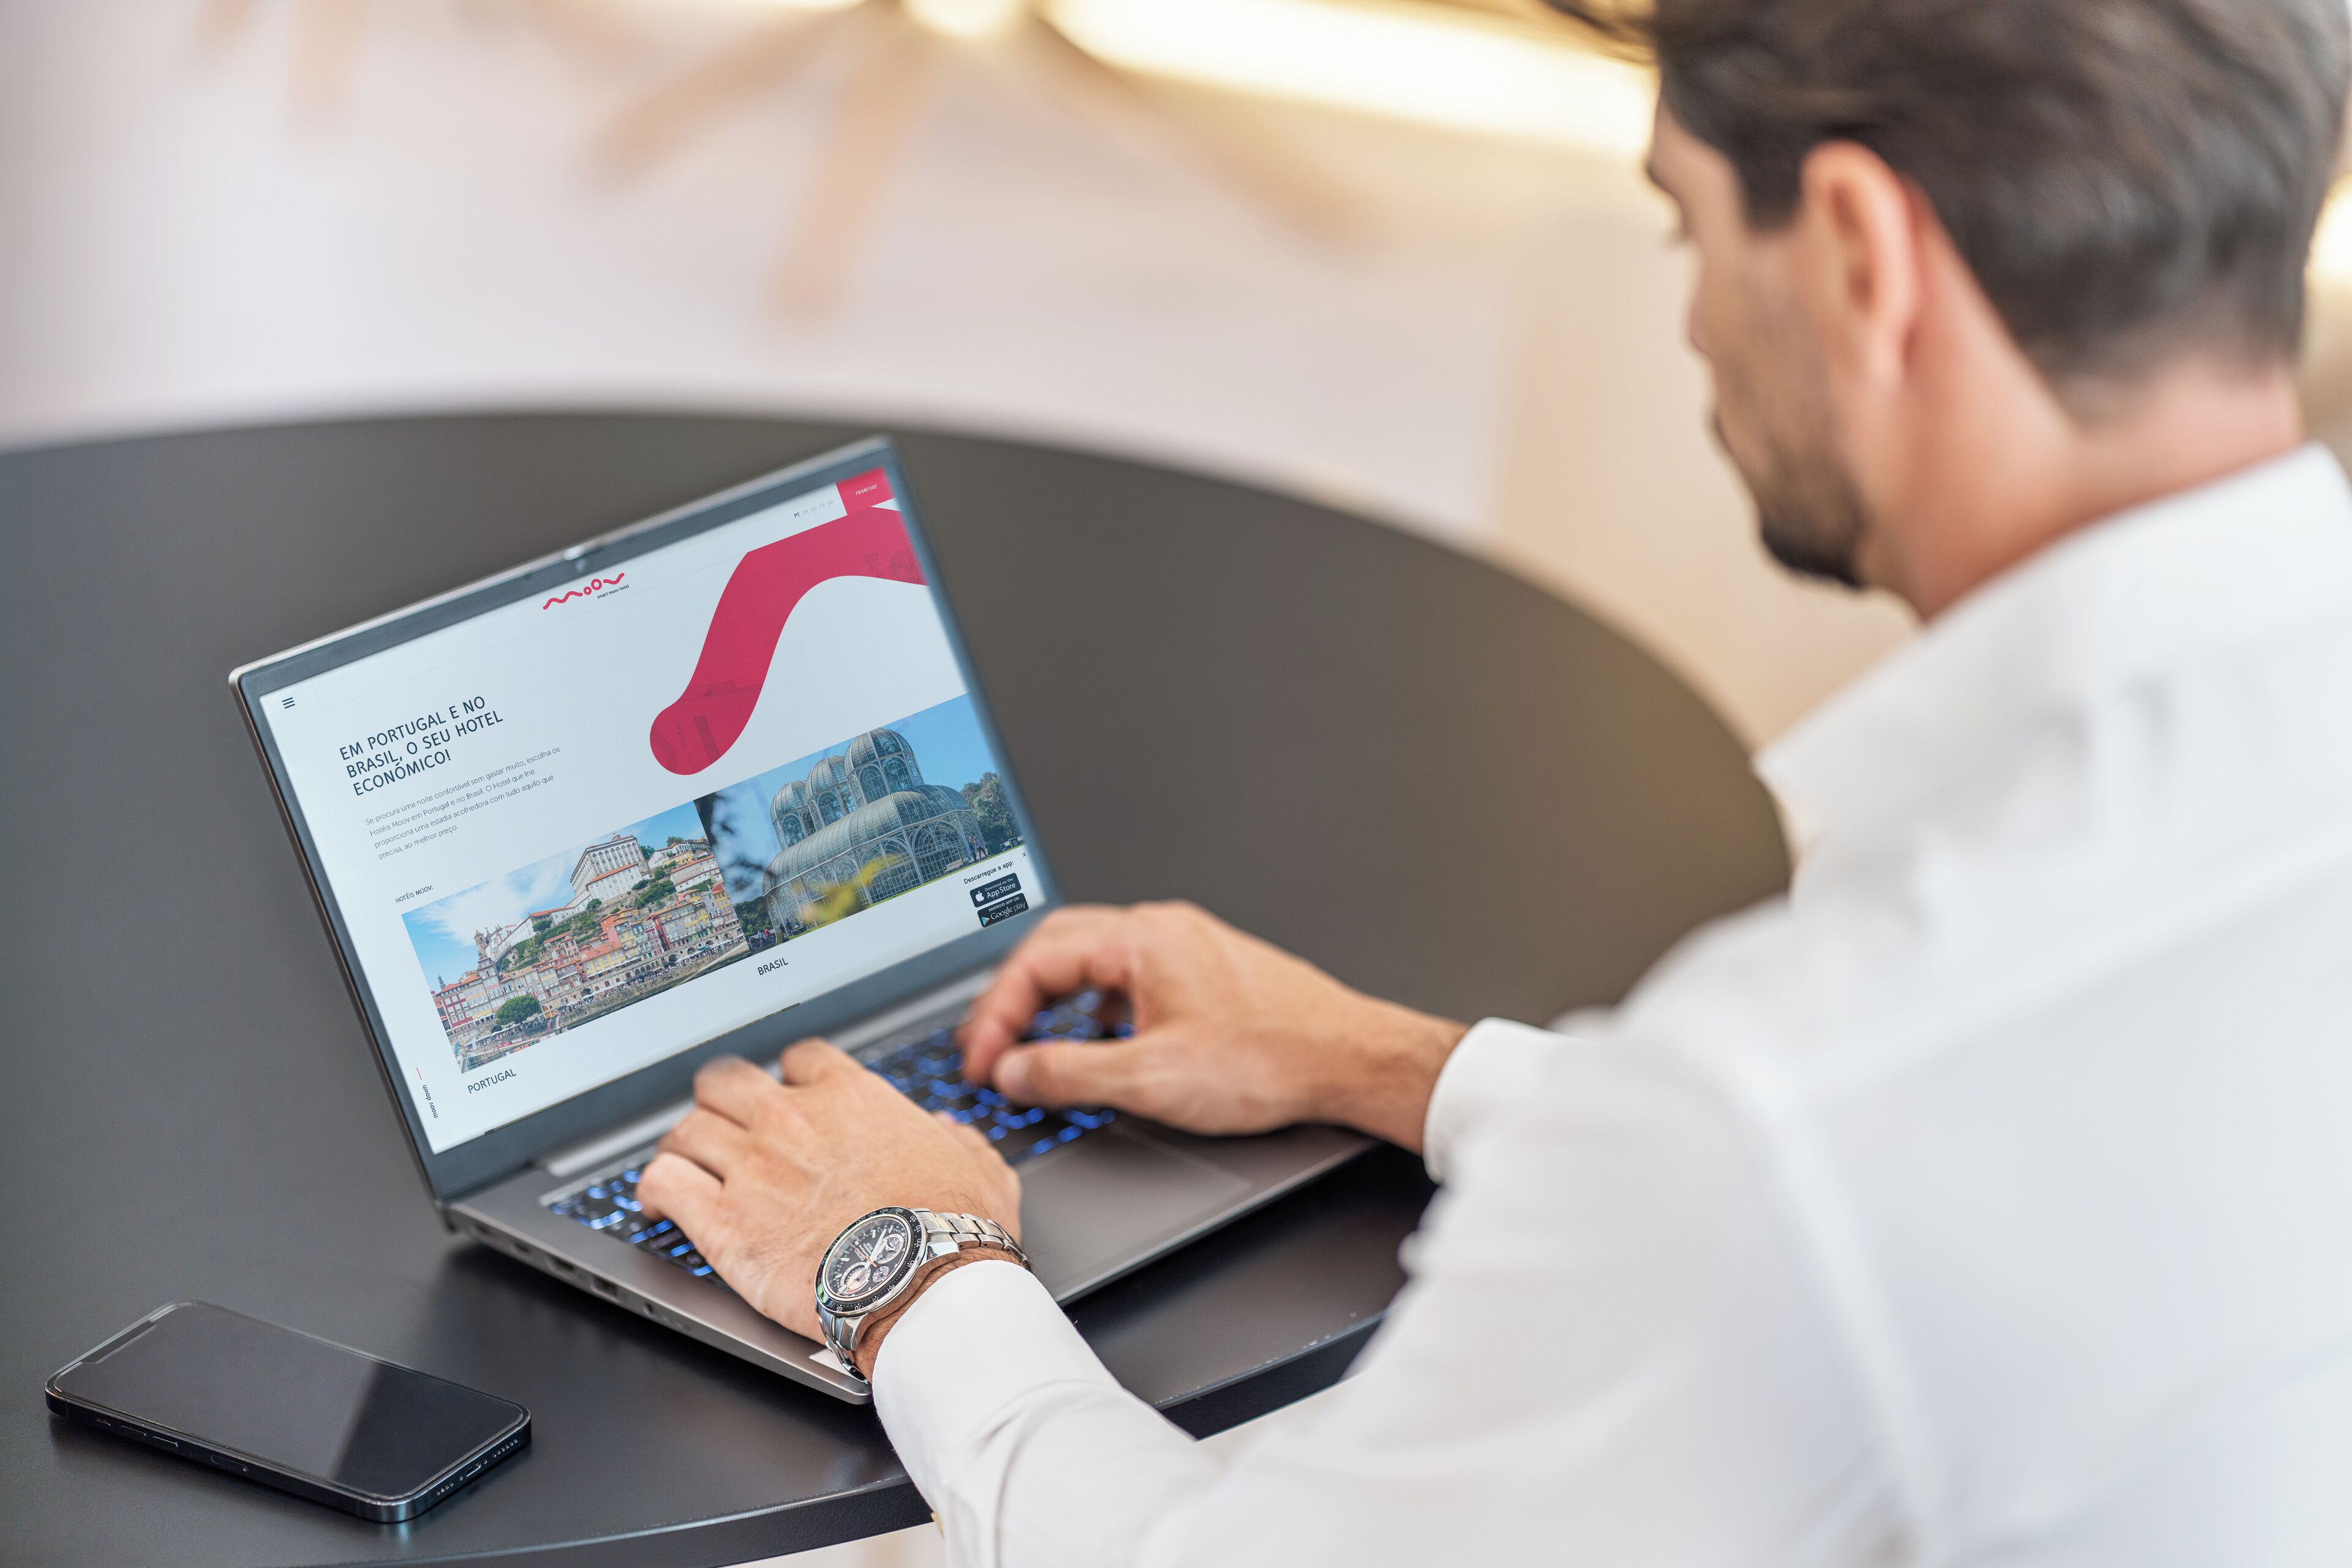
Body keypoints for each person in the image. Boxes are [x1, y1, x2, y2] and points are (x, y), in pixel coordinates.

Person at [639, 0, 2352, 1560]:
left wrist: (907, 1262)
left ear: (1857, 251)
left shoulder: (1788, 1092)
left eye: (1686, 225)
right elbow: (1925, 1214)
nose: (1695, 323)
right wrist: (1384, 1061)